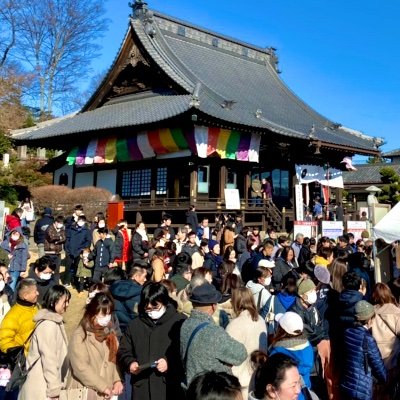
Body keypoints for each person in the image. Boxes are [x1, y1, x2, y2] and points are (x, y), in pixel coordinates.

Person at [118, 282, 186, 400]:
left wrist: (169, 362)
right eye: (147, 308)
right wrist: (130, 362)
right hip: (142, 388)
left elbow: (185, 351)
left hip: (169, 388)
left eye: (155, 307)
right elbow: (124, 350)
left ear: (165, 302)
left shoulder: (180, 322)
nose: (151, 311)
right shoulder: (135, 325)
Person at [180, 282, 247, 386]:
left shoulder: (185, 324)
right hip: (211, 390)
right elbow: (241, 354)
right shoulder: (213, 332)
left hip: (192, 387)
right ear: (213, 306)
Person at [18, 285, 71, 400]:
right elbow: (49, 358)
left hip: (44, 383)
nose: (67, 305)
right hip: (42, 387)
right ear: (53, 301)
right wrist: (54, 389)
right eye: (64, 301)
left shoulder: (54, 322)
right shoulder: (48, 325)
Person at [68, 292, 123, 399]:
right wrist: (102, 386)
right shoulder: (80, 335)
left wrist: (117, 380)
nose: (107, 318)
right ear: (92, 313)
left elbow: (114, 360)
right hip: (87, 392)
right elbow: (81, 367)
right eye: (103, 315)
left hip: (107, 393)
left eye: (109, 314)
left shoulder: (110, 334)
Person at [0, 279, 39, 399]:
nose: (38, 293)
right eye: (35, 291)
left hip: (34, 361)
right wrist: (18, 355)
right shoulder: (13, 316)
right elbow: (4, 340)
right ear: (26, 296)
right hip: (21, 365)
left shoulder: (36, 308)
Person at [226, 287, 267, 397]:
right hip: (258, 377)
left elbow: (227, 355)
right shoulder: (261, 320)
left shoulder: (235, 325)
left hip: (240, 381)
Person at [341, 300, 387, 400]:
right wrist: (385, 380)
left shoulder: (347, 332)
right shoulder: (368, 339)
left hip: (347, 383)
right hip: (363, 387)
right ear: (369, 319)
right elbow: (377, 364)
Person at [269, 312, 314, 394]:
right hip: (304, 392)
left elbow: (270, 376)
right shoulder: (308, 346)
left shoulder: (277, 352)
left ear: (281, 330)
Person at [370, 283, 400, 400]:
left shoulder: (370, 312)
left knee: (379, 392)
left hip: (376, 361)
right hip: (394, 360)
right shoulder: (396, 312)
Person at [64, 215, 91, 287]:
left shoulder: (87, 231)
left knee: (77, 267)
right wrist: (67, 249)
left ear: (84, 222)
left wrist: (83, 250)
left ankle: (75, 281)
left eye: (82, 221)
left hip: (79, 252)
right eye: (79, 220)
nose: (80, 222)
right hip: (70, 251)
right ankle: (67, 281)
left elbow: (88, 241)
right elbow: (67, 239)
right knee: (68, 266)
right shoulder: (71, 229)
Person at [0, 227, 29, 291]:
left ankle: (10, 299)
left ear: (20, 235)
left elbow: (24, 259)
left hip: (16, 268)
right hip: (5, 268)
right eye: (14, 233)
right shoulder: (4, 244)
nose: (15, 235)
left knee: (11, 287)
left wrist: (23, 270)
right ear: (11, 234)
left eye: (17, 234)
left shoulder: (23, 245)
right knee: (2, 285)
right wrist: (6, 257)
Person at [43, 215, 66, 284]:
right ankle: (46, 283)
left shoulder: (62, 229)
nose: (60, 225)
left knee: (57, 270)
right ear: (56, 222)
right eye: (59, 223)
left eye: (62, 223)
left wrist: (58, 240)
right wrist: (59, 238)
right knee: (48, 269)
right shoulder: (49, 228)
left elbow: (64, 238)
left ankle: (56, 285)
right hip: (49, 252)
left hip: (58, 252)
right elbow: (51, 237)